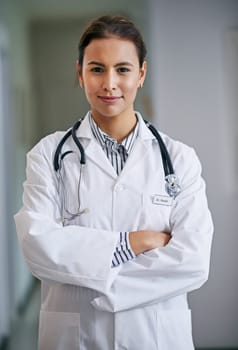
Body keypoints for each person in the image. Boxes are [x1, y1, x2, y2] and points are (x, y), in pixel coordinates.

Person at [14, 15, 213, 350]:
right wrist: (132, 243)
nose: (109, 83)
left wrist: (95, 273)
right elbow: (38, 247)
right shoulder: (48, 155)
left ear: (141, 74)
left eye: (122, 69)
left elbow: (193, 261)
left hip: (156, 336)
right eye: (96, 69)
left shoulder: (179, 159)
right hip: (76, 337)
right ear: (79, 73)